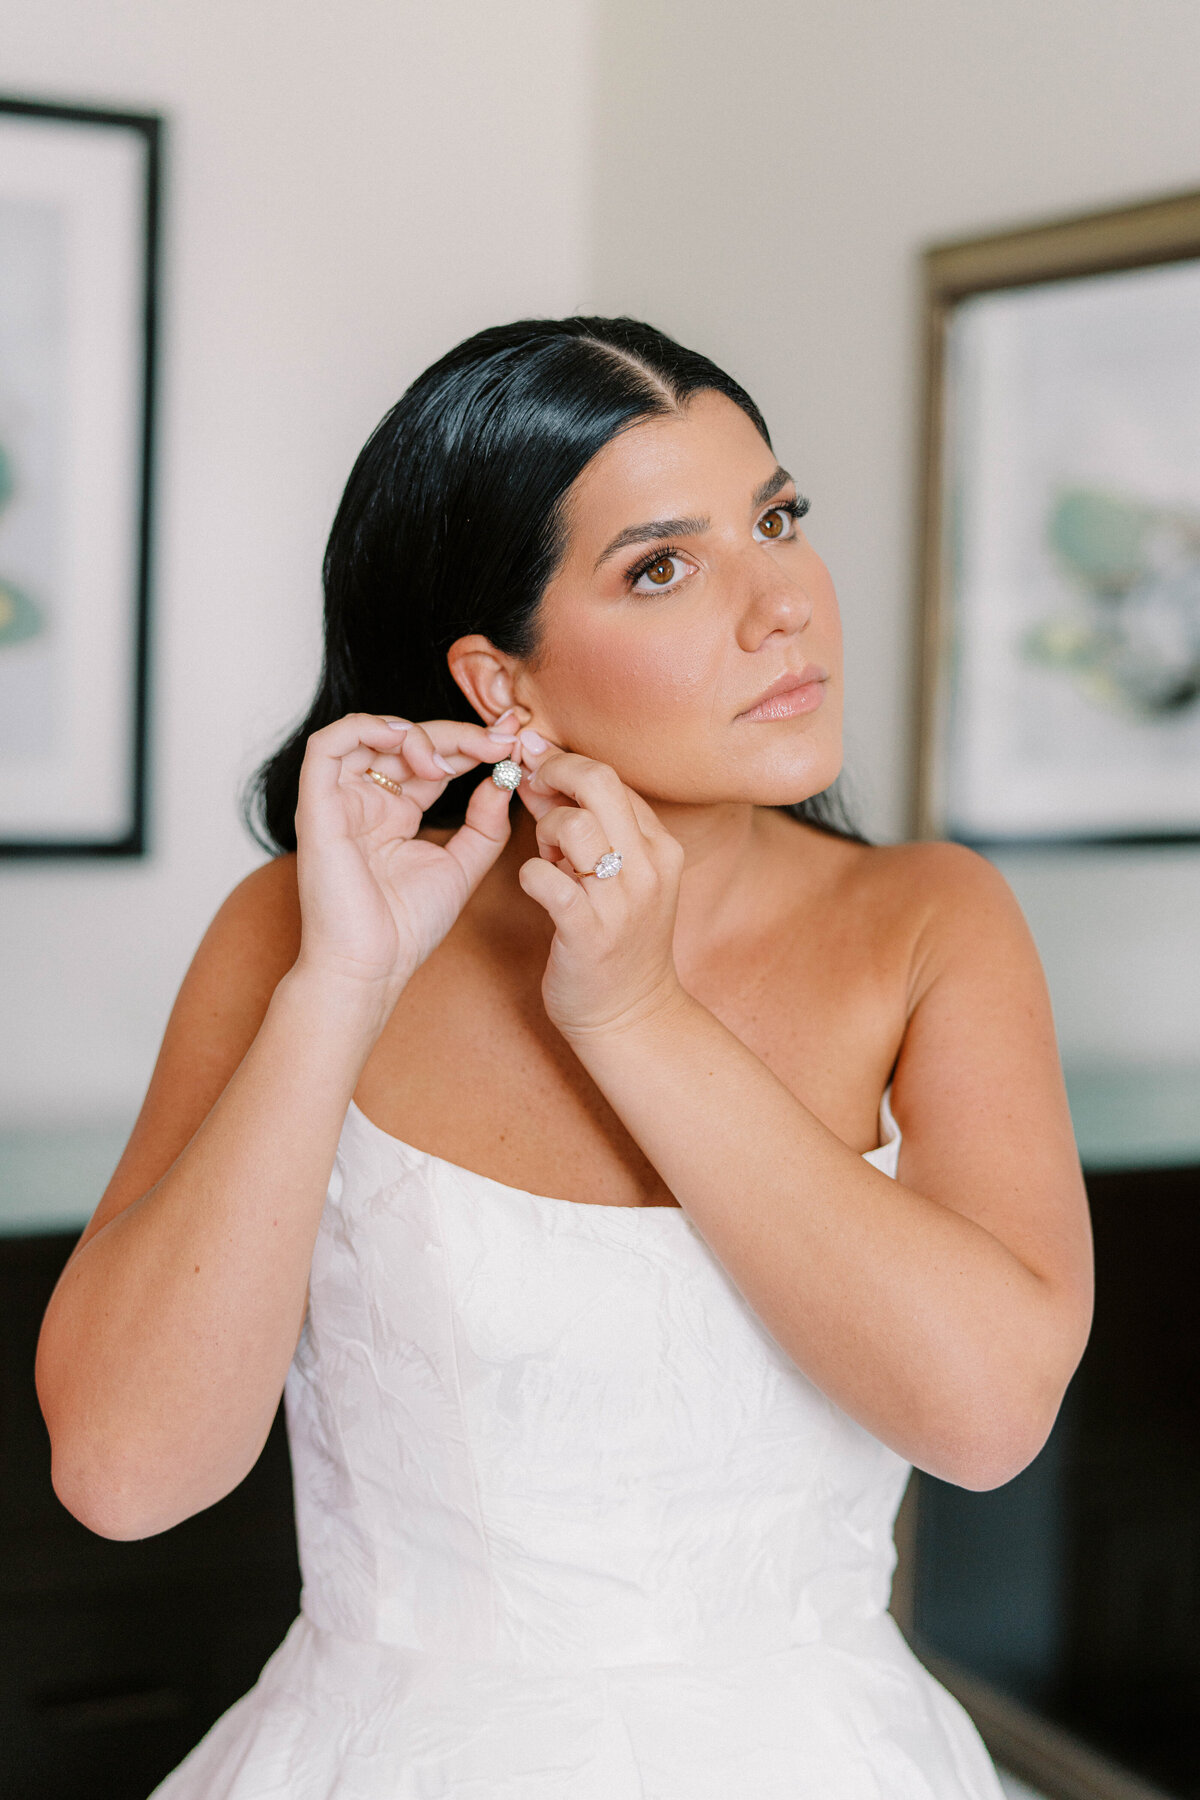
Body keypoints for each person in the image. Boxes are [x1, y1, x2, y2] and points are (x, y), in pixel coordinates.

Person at [36, 316, 1093, 1797]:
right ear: (501, 687)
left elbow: (985, 1423)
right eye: (664, 565)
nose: (781, 602)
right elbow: (127, 1474)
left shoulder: (929, 923)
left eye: (777, 520)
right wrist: (339, 986)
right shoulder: (298, 930)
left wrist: (635, 1017)